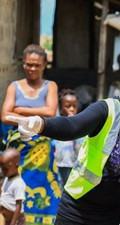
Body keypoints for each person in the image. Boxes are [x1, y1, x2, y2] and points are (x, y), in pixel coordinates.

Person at [6, 50, 120, 225]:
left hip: (115, 217)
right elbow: (72, 126)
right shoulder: (107, 109)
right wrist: (41, 125)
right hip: (76, 211)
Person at [1, 44, 60, 224]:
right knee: (13, 193)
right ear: (23, 64)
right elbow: (4, 116)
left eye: (36, 65)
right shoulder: (14, 86)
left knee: (44, 191)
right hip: (18, 154)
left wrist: (19, 110)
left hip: (41, 156)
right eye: (28, 64)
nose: (32, 69)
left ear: (44, 65)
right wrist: (34, 113)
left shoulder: (50, 86)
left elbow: (50, 112)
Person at [52, 89, 83, 188]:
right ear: (60, 108)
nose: (72, 109)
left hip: (76, 165)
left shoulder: (81, 123)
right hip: (60, 165)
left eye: (74, 106)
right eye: (68, 106)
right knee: (61, 189)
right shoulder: (57, 123)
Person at [0, 148, 26, 225]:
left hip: (16, 221)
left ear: (16, 166)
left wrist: (13, 222)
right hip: (6, 220)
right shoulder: (7, 178)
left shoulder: (18, 183)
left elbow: (19, 205)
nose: (2, 172)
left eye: (5, 169)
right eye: (2, 169)